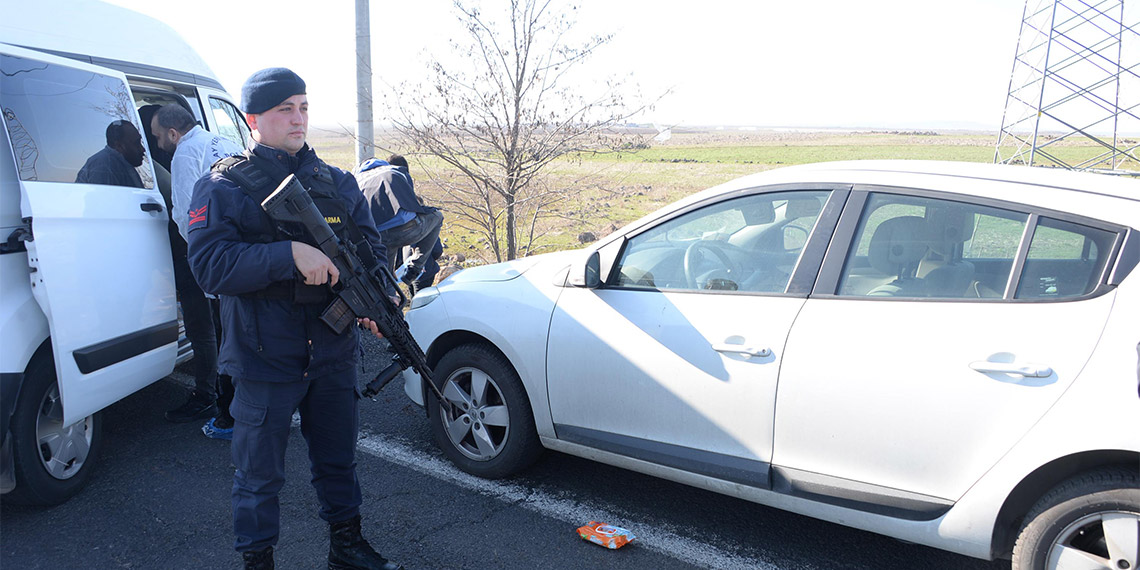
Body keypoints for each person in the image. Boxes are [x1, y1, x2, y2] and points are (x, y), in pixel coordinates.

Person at [186, 68, 402, 570]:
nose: (298, 118)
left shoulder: (337, 182)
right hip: (265, 358)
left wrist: (377, 300)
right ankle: (257, 561)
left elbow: (371, 250)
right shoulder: (223, 185)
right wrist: (287, 255)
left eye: (303, 106)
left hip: (331, 354)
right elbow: (208, 267)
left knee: (338, 461)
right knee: (258, 476)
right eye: (285, 109)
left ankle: (346, 548)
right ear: (253, 118)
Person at [151, 103, 243, 434]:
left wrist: (202, 262)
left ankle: (228, 415)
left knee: (222, 336)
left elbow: (187, 215)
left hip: (217, 259)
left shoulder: (185, 154)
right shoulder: (223, 142)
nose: (157, 143)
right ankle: (249, 407)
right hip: (243, 254)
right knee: (242, 333)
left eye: (158, 136)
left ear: (174, 133)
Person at [355, 155, 443, 288]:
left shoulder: (356, 180)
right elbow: (412, 203)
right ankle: (415, 268)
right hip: (404, 229)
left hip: (375, 237)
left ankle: (389, 303)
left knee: (387, 278)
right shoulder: (396, 171)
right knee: (437, 216)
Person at [76, 119, 146, 187]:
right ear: (119, 146)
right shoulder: (104, 166)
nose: (142, 149)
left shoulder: (120, 164)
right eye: (136, 143)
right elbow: (104, 198)